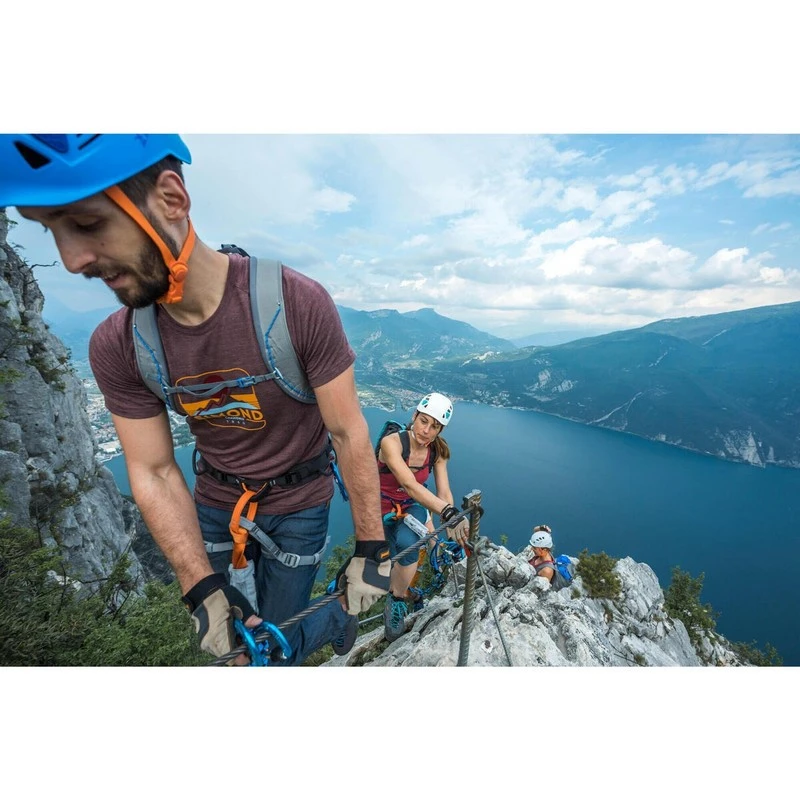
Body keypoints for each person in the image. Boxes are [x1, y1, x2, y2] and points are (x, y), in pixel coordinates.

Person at [0, 133, 390, 665]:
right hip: (213, 502)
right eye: (51, 231)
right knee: (228, 650)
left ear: (171, 199)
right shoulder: (118, 345)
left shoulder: (295, 303)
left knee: (275, 638)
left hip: (301, 502)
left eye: (87, 224)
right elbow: (155, 470)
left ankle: (330, 620)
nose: (71, 260)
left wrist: (370, 547)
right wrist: (196, 584)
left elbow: (348, 432)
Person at [376, 392, 468, 642]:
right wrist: (448, 512)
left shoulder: (438, 452)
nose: (426, 430)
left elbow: (444, 491)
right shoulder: (392, 443)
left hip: (411, 506)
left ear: (441, 430)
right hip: (379, 506)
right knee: (371, 565)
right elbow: (408, 484)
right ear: (414, 416)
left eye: (434, 426)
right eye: (423, 421)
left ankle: (395, 602)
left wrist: (451, 529)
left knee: (409, 545)